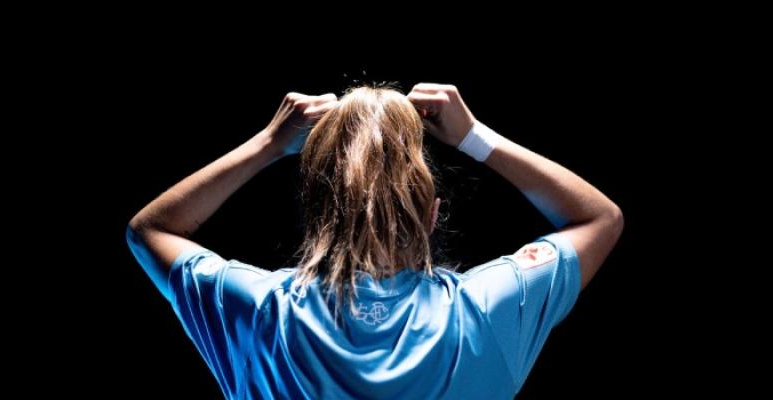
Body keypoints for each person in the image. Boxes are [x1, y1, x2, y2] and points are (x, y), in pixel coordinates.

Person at [126, 83, 623, 399]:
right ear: (432, 216)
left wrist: (269, 144)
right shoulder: (489, 309)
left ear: (317, 212)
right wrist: (474, 136)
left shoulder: (260, 312)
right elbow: (599, 218)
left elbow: (152, 229)